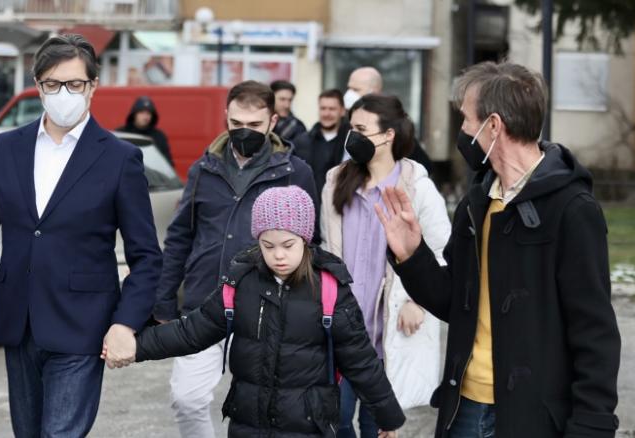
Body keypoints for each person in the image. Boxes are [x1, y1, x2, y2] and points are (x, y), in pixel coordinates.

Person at [374, 61, 621, 438]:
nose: (462, 131)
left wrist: (591, 426)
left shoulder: (573, 209)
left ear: (493, 125)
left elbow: (595, 332)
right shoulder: (478, 201)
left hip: (533, 418)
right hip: (464, 409)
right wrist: (412, 255)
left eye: (465, 120)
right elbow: (454, 302)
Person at [0, 34, 163, 437]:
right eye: (52, 84)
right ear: (38, 85)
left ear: (93, 86)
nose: (63, 93)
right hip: (18, 321)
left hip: (83, 327)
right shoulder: (6, 147)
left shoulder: (119, 159)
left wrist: (126, 323)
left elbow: (147, 256)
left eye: (74, 84)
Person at [125, 186, 405, 438]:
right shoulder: (242, 281)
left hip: (308, 426)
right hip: (249, 425)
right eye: (267, 246)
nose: (278, 255)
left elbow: (361, 361)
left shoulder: (330, 289)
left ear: (305, 239)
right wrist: (135, 347)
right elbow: (193, 331)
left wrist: (388, 417)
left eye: (288, 245)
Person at [152, 80, 319, 438]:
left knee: (261, 410)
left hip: (266, 308)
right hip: (203, 303)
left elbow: (311, 245)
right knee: (187, 399)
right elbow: (180, 237)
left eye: (254, 125)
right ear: (225, 118)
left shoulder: (296, 173)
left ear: (273, 121)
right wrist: (164, 301)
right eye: (236, 123)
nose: (244, 132)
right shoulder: (203, 169)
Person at [321, 94, 450, 438]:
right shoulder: (336, 182)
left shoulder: (418, 189)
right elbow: (326, 249)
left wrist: (417, 301)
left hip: (386, 338)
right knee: (334, 421)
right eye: (352, 129)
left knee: (378, 428)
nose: (353, 137)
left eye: (362, 129)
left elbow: (442, 252)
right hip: (342, 331)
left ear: (388, 134)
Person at [342, 67, 432, 174]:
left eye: (356, 89)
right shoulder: (343, 123)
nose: (349, 94)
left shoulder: (393, 124)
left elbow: (424, 166)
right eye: (349, 88)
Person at [293, 89, 351, 195]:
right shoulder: (301, 142)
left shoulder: (350, 142)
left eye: (332, 109)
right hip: (311, 205)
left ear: (342, 111)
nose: (326, 113)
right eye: (323, 108)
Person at [117, 95, 174, 166]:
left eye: (148, 113)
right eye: (141, 112)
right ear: (134, 114)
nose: (145, 116)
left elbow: (167, 164)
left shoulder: (159, 136)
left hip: (152, 176)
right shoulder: (121, 134)